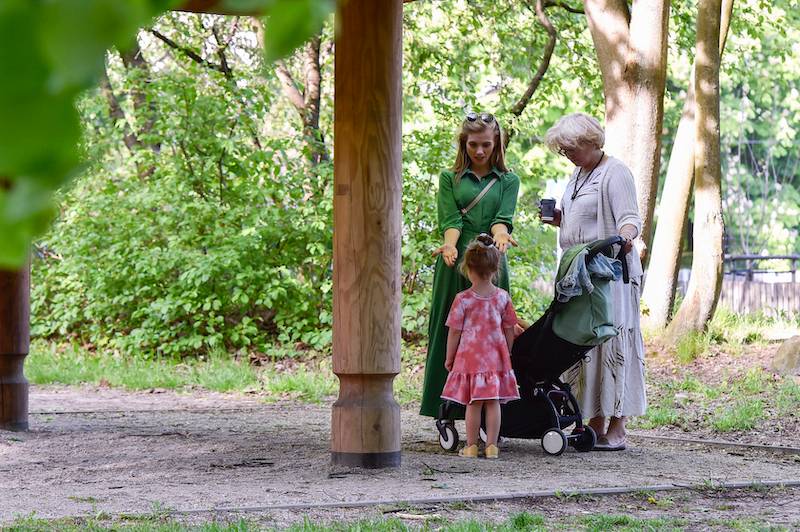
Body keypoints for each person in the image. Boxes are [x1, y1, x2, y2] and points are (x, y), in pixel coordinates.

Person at [542, 113, 647, 451]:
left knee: (614, 345)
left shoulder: (615, 173)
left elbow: (630, 218)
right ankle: (593, 421)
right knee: (586, 348)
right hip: (580, 275)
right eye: (563, 150)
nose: (566, 154)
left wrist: (625, 239)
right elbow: (578, 221)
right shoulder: (577, 175)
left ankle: (618, 425)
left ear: (591, 142)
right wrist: (560, 219)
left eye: (570, 148)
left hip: (610, 274)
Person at [419, 112, 520, 422]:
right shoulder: (450, 179)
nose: (479, 151)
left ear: (497, 144)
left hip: (490, 261)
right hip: (456, 263)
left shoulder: (508, 180)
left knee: (494, 332)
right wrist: (450, 244)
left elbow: (502, 220)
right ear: (464, 144)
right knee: (451, 330)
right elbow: (452, 221)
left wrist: (501, 235)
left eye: (486, 145)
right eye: (473, 144)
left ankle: (494, 412)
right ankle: (445, 408)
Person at [440, 234, 520, 458]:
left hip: (469, 360)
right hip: (495, 358)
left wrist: (450, 357)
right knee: (493, 402)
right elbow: (509, 328)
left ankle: (472, 446)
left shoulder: (462, 299)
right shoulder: (503, 298)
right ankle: (492, 446)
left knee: (473, 404)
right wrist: (508, 351)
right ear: (495, 269)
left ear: (468, 269)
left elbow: (454, 331)